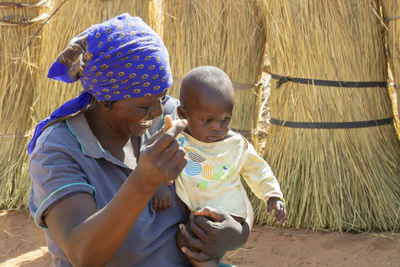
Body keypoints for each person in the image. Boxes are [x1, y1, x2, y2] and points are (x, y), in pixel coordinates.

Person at [28, 14, 251, 267]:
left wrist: (236, 231)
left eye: (163, 96)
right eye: (144, 105)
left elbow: (230, 181)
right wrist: (144, 181)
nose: (158, 110)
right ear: (105, 99)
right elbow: (83, 255)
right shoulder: (58, 151)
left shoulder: (169, 117)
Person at [153, 66, 287, 266]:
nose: (218, 127)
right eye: (207, 120)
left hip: (231, 213)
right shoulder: (178, 138)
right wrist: (162, 184)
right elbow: (159, 158)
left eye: (225, 119)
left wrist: (273, 195)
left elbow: (257, 169)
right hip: (197, 214)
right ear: (183, 113)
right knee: (185, 239)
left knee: (198, 235)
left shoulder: (235, 145)